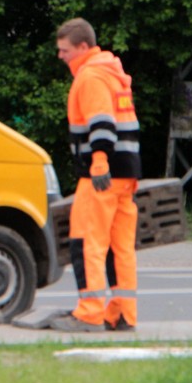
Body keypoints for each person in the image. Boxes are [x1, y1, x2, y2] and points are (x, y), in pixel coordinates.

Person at [50, 18, 142, 332]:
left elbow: (101, 122)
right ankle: (122, 312)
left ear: (83, 48)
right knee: (121, 247)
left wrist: (99, 159)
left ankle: (89, 312)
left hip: (100, 175)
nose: (61, 56)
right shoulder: (113, 74)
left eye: (65, 50)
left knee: (87, 240)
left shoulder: (90, 77)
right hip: (125, 174)